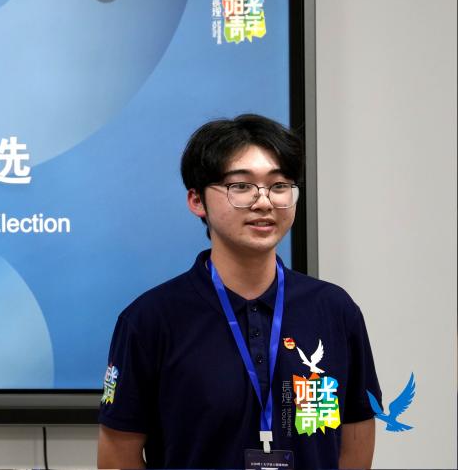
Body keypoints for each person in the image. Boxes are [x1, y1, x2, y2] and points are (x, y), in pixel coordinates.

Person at [97, 114, 381, 469]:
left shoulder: (335, 310)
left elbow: (356, 440)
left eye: (279, 185)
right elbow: (117, 455)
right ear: (197, 200)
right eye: (242, 186)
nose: (264, 202)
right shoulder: (150, 320)